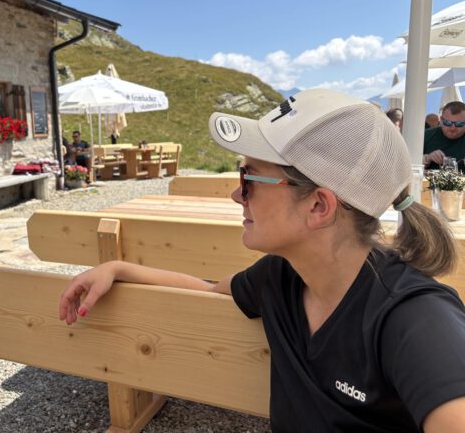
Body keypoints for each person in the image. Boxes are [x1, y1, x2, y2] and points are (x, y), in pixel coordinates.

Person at [60, 89, 465, 432]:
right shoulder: (281, 276)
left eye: (249, 179)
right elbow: (209, 290)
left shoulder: (414, 318)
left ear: (319, 206)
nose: (236, 195)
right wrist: (118, 269)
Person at [423, 101, 465, 170]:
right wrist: (428, 158)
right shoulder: (426, 135)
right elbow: (408, 163)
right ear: (441, 120)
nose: (452, 128)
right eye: (447, 123)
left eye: (459, 124)